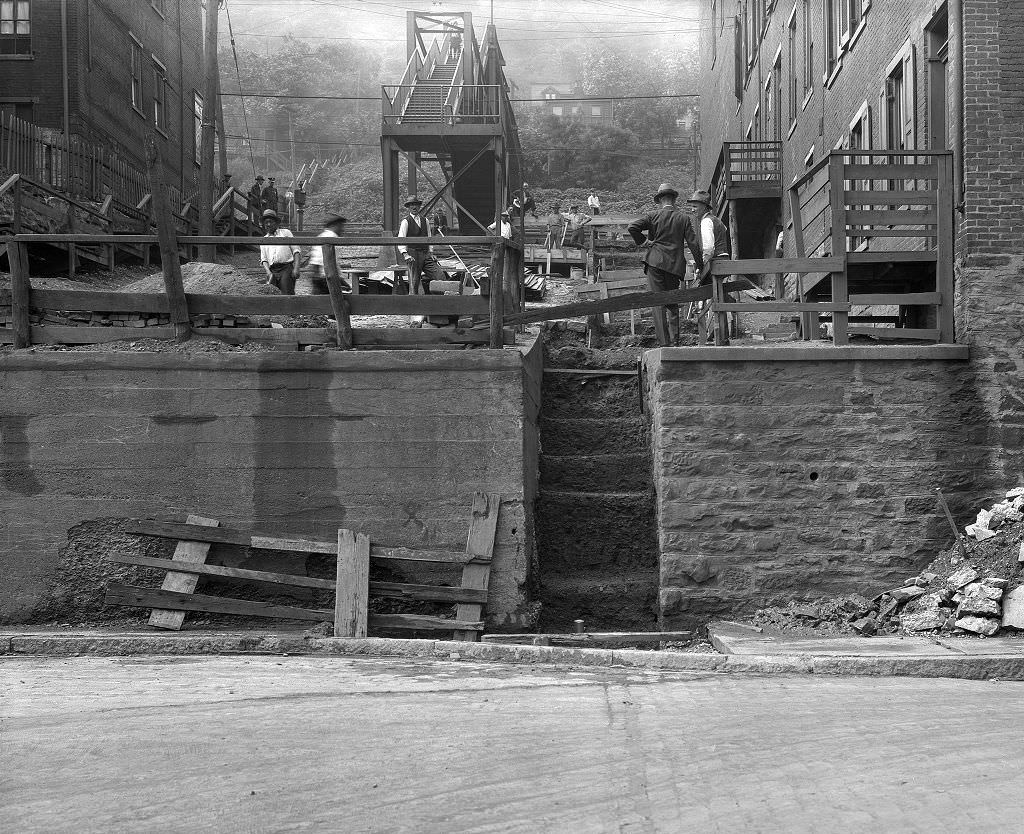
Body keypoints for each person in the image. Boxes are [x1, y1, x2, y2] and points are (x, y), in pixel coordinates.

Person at [627, 182, 703, 347]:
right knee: (672, 302)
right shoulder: (683, 218)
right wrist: (701, 265)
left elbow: (632, 227)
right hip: (674, 266)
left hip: (655, 262)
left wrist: (644, 241)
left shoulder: (652, 216)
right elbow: (694, 244)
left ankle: (664, 344)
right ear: (674, 199)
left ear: (660, 199)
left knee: (658, 303)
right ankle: (675, 341)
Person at [397, 195, 446, 296]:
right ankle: (413, 306)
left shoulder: (425, 221)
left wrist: (431, 252)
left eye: (416, 205)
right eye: (411, 205)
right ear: (408, 207)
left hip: (425, 254)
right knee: (414, 282)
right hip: (413, 254)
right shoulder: (406, 221)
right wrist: (405, 254)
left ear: (419, 206)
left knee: (440, 275)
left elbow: (429, 237)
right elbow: (401, 239)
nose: (414, 207)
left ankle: (441, 302)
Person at [301, 211, 349, 295]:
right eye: (341, 226)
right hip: (325, 277)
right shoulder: (331, 237)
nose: (342, 229)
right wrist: (339, 279)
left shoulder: (322, 236)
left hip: (321, 275)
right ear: (334, 225)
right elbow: (325, 260)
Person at [259, 209, 300, 295]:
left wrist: (296, 268)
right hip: (272, 270)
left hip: (286, 268)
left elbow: (296, 251)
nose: (268, 224)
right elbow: (264, 260)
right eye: (266, 222)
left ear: (276, 223)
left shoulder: (286, 233)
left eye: (271, 222)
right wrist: (268, 272)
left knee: (287, 293)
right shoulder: (264, 240)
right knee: (273, 295)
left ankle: (290, 308)